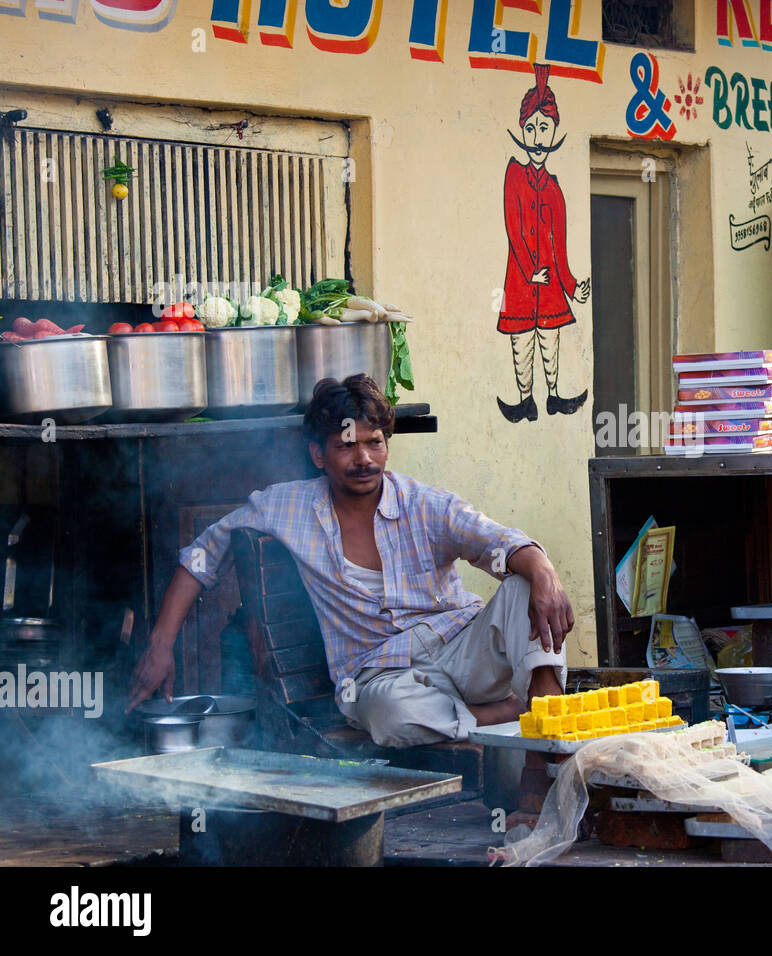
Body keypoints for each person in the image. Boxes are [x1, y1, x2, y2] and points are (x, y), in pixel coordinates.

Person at [126, 375, 574, 749]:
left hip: (461, 650)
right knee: (388, 714)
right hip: (381, 674)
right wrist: (161, 644)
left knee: (523, 587)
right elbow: (203, 554)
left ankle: (544, 761)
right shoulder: (287, 508)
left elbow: (501, 541)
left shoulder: (426, 504)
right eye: (346, 446)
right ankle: (506, 712)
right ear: (318, 455)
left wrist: (544, 573)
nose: (364, 459)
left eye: (374, 443)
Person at [496, 64, 591, 423]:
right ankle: (525, 400)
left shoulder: (554, 188)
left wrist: (570, 286)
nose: (538, 137)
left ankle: (552, 396)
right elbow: (513, 229)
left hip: (549, 283)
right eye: (532, 128)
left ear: (554, 133)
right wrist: (529, 272)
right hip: (522, 281)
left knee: (550, 341)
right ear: (522, 130)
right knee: (521, 343)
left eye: (544, 128)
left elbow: (560, 247)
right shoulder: (513, 175)